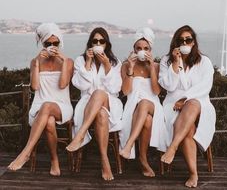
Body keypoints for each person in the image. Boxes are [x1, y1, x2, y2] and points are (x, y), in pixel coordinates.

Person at [8, 23, 74, 176]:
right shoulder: (35, 61)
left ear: (60, 43)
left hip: (62, 106)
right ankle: (54, 161)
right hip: (40, 105)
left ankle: (26, 152)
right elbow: (35, 87)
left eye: (55, 43)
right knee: (49, 120)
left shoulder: (68, 61)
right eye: (48, 44)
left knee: (47, 106)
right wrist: (37, 63)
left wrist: (63, 60)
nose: (52, 46)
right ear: (43, 44)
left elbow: (63, 84)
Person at [158, 25, 216, 188]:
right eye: (180, 40)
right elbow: (168, 86)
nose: (184, 42)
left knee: (193, 103)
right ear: (175, 42)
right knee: (188, 128)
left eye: (188, 39)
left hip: (200, 102)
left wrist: (186, 98)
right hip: (172, 105)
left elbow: (206, 86)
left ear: (193, 42)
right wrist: (175, 64)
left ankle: (173, 147)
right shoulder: (166, 61)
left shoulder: (204, 61)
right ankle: (193, 173)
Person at [66, 27, 123, 181]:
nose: (98, 43)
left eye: (101, 41)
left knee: (100, 93)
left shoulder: (115, 62)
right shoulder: (81, 60)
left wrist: (107, 66)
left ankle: (80, 134)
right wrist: (89, 62)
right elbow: (80, 86)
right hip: (87, 104)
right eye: (95, 41)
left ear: (106, 44)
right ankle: (105, 161)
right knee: (101, 114)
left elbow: (115, 88)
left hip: (111, 102)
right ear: (90, 43)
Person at [119, 27, 167, 177]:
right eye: (138, 48)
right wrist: (131, 68)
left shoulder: (157, 66)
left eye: (146, 48)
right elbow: (126, 92)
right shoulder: (126, 66)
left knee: (145, 103)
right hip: (133, 107)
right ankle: (143, 159)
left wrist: (152, 67)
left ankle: (129, 145)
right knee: (146, 119)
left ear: (150, 49)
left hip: (153, 105)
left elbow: (156, 92)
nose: (142, 50)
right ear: (134, 49)